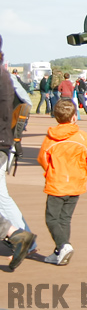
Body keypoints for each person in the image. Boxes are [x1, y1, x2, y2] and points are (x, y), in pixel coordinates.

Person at [37, 98, 87, 266]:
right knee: (64, 218)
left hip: (57, 183)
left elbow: (43, 159)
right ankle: (60, 251)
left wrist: (52, 171)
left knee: (51, 219)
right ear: (74, 117)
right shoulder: (83, 137)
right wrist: (81, 169)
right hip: (75, 183)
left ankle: (63, 246)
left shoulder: (51, 138)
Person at [0, 35, 38, 269]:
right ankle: (19, 235)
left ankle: (18, 235)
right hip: (4, 143)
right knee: (1, 197)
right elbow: (25, 103)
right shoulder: (6, 76)